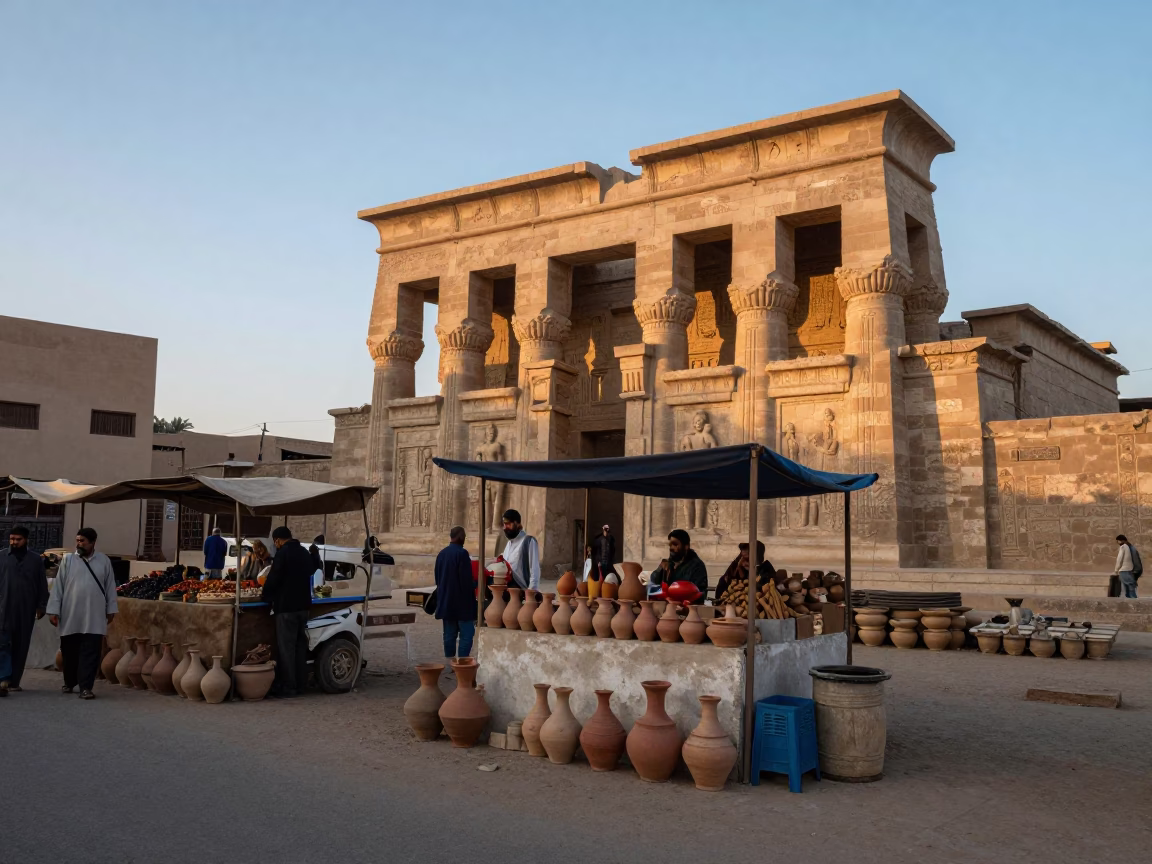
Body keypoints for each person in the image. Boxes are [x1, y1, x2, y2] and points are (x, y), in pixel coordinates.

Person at [45, 528, 117, 700]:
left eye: (83, 541)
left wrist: (111, 610)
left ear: (92, 543)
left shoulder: (103, 561)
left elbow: (110, 587)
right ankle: (70, 682)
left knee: (91, 652)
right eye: (77, 540)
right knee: (69, 651)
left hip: (94, 615)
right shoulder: (68, 560)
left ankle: (86, 687)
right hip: (71, 614)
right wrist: (53, 610)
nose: (79, 544)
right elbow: (58, 587)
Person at [261, 526, 314, 698]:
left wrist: (265, 595)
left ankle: (289, 686)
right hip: (303, 607)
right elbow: (313, 569)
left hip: (286, 608)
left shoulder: (283, 554)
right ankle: (301, 684)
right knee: (300, 647)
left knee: (286, 648)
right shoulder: (304, 552)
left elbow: (274, 578)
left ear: (277, 540)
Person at [0, 526, 49, 693]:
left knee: (21, 645)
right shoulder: (2, 557)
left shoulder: (35, 560)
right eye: (12, 539)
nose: (14, 542)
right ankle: (4, 678)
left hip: (26, 609)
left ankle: (14, 681)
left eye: (18, 539)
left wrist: (42, 606)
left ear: (26, 540)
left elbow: (42, 585)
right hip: (3, 608)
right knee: (3, 643)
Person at [434, 526, 477, 662]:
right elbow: (465, 580)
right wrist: (476, 584)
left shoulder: (441, 554)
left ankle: (450, 662)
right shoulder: (462, 553)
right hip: (462, 603)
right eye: (463, 536)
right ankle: (462, 663)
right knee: (466, 634)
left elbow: (437, 578)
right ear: (459, 537)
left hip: (446, 600)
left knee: (449, 634)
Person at [653, 529, 709, 602]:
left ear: (686, 546)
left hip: (687, 609)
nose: (671, 548)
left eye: (675, 545)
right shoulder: (667, 564)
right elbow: (653, 584)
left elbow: (700, 594)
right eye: (670, 545)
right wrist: (659, 570)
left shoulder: (697, 566)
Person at [714, 540, 766, 605]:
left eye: (748, 559)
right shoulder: (731, 574)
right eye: (742, 558)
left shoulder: (764, 574)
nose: (743, 563)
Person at [500, 509, 540, 592]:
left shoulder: (529, 541)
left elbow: (534, 569)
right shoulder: (509, 544)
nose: (505, 527)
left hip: (521, 589)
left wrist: (531, 592)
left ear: (517, 523)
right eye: (504, 524)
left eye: (508, 524)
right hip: (507, 586)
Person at [1114, 534, 1142, 599]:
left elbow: (1119, 559)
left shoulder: (1123, 547)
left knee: (1129, 586)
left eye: (1118, 541)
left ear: (1120, 540)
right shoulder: (1129, 547)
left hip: (1124, 570)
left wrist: (1116, 569)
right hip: (1129, 569)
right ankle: (1132, 601)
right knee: (1129, 587)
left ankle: (1133, 602)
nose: (1117, 543)